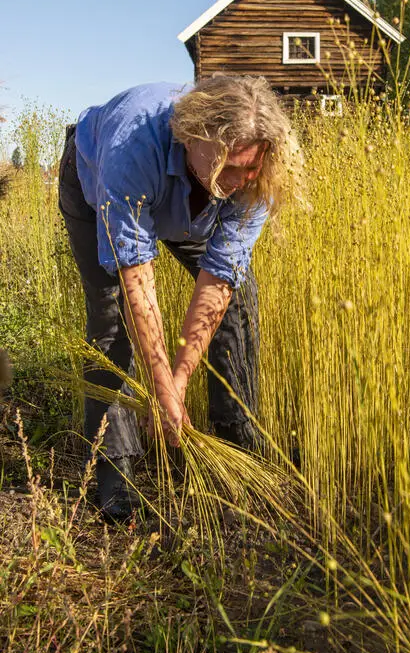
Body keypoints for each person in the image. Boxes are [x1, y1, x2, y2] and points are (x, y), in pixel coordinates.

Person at [58, 76, 298, 522]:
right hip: (95, 184)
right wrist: (161, 387)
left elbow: (220, 279)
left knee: (240, 295)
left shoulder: (255, 174)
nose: (241, 180)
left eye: (250, 169)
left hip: (190, 202)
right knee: (110, 317)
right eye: (230, 167)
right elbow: (138, 284)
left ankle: (235, 445)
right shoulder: (133, 148)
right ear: (193, 137)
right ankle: (115, 469)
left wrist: (180, 379)